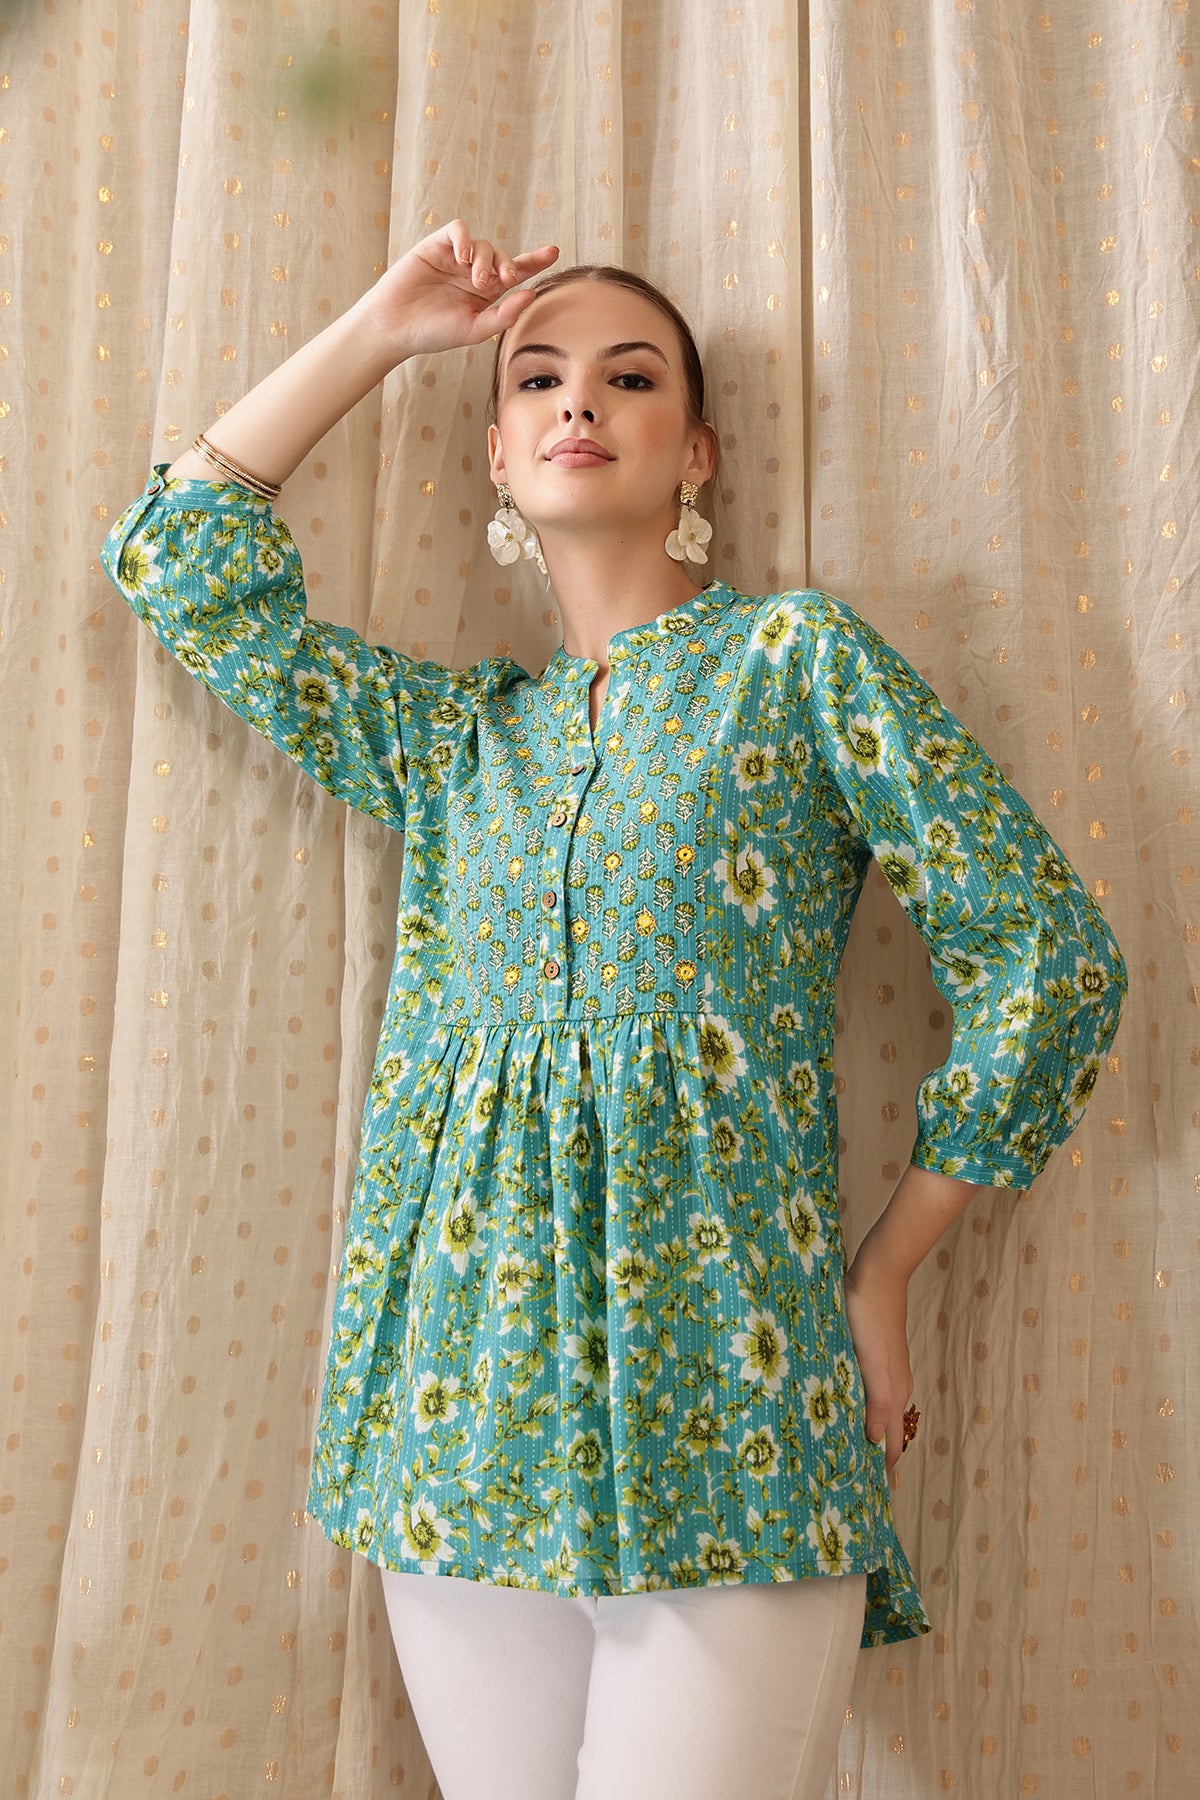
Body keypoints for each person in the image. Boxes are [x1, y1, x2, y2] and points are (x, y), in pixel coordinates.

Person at [100, 221, 1128, 1799]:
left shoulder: (795, 662)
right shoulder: (454, 745)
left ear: (695, 452)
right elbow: (180, 566)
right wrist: (383, 330)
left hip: (736, 1409)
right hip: (457, 1422)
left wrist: (886, 1270)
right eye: (537, 381)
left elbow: (1049, 958)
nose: (579, 401)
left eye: (630, 378)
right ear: (496, 456)